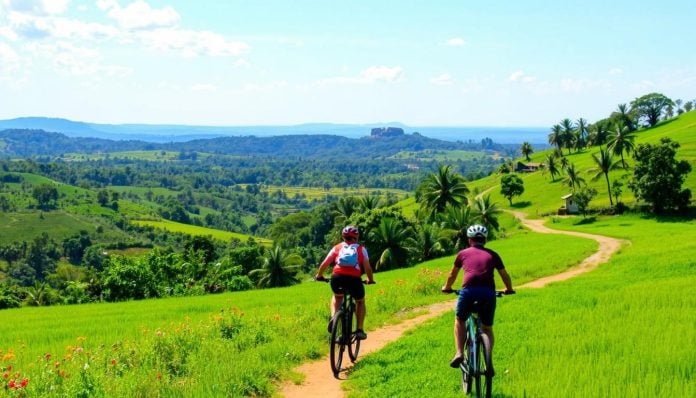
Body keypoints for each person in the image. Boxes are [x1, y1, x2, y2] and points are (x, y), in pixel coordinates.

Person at [441, 224, 514, 369]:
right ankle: (488, 359)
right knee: (487, 328)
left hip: (468, 291)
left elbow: (452, 275)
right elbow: (504, 275)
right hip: (488, 293)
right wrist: (509, 289)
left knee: (460, 320)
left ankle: (459, 353)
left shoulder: (462, 254)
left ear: (470, 240)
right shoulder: (493, 254)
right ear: (485, 240)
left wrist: (447, 287)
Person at [315, 225, 375, 340]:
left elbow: (324, 263)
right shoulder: (361, 249)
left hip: (337, 277)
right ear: (356, 237)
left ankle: (334, 318)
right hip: (354, 280)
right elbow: (368, 268)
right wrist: (370, 280)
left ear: (343, 236)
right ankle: (359, 330)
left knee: (337, 297)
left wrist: (319, 275)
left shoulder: (337, 248)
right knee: (360, 301)